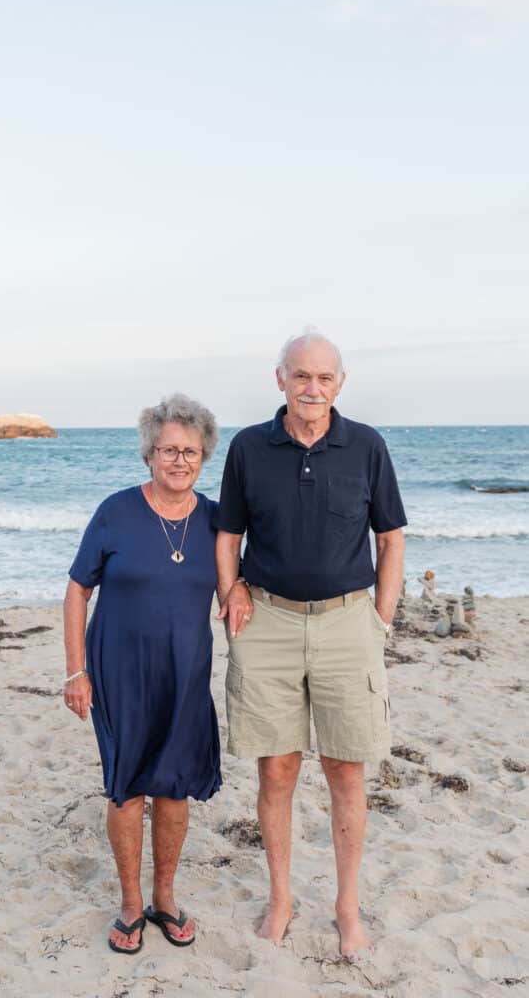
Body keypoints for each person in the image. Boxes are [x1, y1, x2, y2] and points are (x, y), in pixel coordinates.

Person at [215, 331, 406, 957]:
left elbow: (391, 538)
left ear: (340, 384)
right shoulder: (248, 447)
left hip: (349, 624)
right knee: (277, 768)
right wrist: (230, 590)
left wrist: (379, 617)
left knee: (346, 770)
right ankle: (281, 899)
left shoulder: (367, 446)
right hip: (267, 622)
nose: (312, 388)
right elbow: (227, 533)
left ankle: (347, 909)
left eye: (324, 378)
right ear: (280, 380)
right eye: (301, 376)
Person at [64, 393, 222, 955]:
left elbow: (241, 578)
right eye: (169, 450)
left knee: (175, 789)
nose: (180, 461)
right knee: (128, 787)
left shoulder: (217, 520)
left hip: (186, 675)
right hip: (118, 675)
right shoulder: (115, 511)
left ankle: (165, 896)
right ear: (149, 453)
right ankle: (131, 903)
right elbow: (78, 588)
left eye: (191, 451)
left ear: (204, 456)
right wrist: (75, 671)